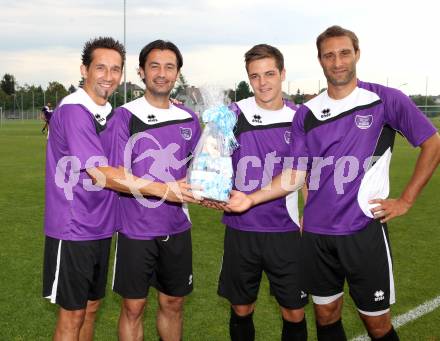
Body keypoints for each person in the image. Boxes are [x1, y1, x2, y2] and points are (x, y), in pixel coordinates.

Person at [226, 25, 440, 341]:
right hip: (315, 236)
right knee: (325, 317)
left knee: (377, 323)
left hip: (362, 231)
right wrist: (251, 199)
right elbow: (295, 175)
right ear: (320, 60)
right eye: (329, 55)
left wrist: (406, 199)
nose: (337, 62)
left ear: (356, 54)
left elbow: (432, 143)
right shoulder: (307, 113)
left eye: (344, 53)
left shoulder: (384, 99)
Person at [42, 37, 195, 341]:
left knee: (90, 308)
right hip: (73, 227)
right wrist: (165, 189)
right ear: (84, 69)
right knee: (72, 315)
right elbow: (100, 173)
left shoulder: (108, 111)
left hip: (100, 227)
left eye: (114, 69)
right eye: (100, 68)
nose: (108, 76)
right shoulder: (75, 109)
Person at [216, 44, 308, 341]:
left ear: (283, 74)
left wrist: (309, 216)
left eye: (269, 74)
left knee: (294, 310)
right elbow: (212, 163)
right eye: (255, 76)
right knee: (242, 307)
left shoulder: (300, 117)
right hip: (241, 229)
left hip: (286, 229)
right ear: (248, 78)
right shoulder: (232, 115)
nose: (263, 82)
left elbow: (300, 174)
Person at [111, 40, 201, 341]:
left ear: (177, 74)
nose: (162, 73)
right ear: (141, 71)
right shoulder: (124, 116)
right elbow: (114, 176)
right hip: (136, 229)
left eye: (169, 67)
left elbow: (198, 168)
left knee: (173, 303)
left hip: (177, 226)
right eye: (154, 66)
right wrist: (163, 189)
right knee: (134, 307)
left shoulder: (190, 119)